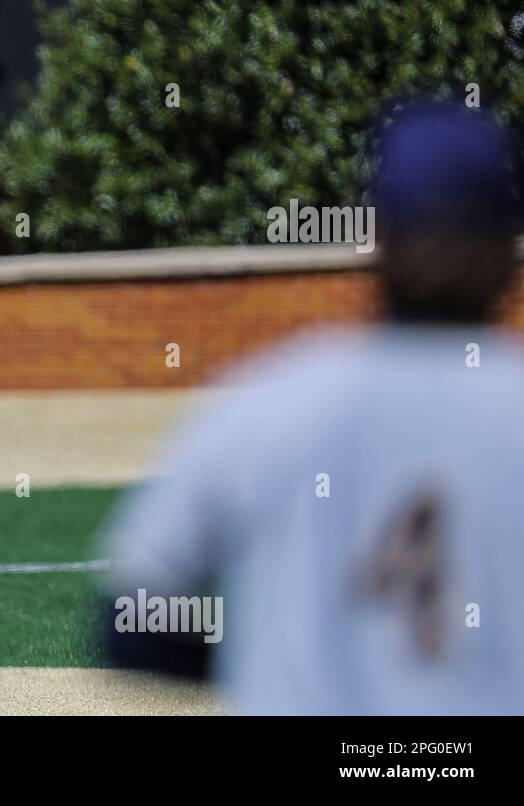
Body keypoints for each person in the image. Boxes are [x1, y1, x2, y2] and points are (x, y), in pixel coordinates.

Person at [101, 100, 524, 714]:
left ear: (376, 233)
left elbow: (131, 622)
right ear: (507, 248)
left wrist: (263, 662)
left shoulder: (273, 397)